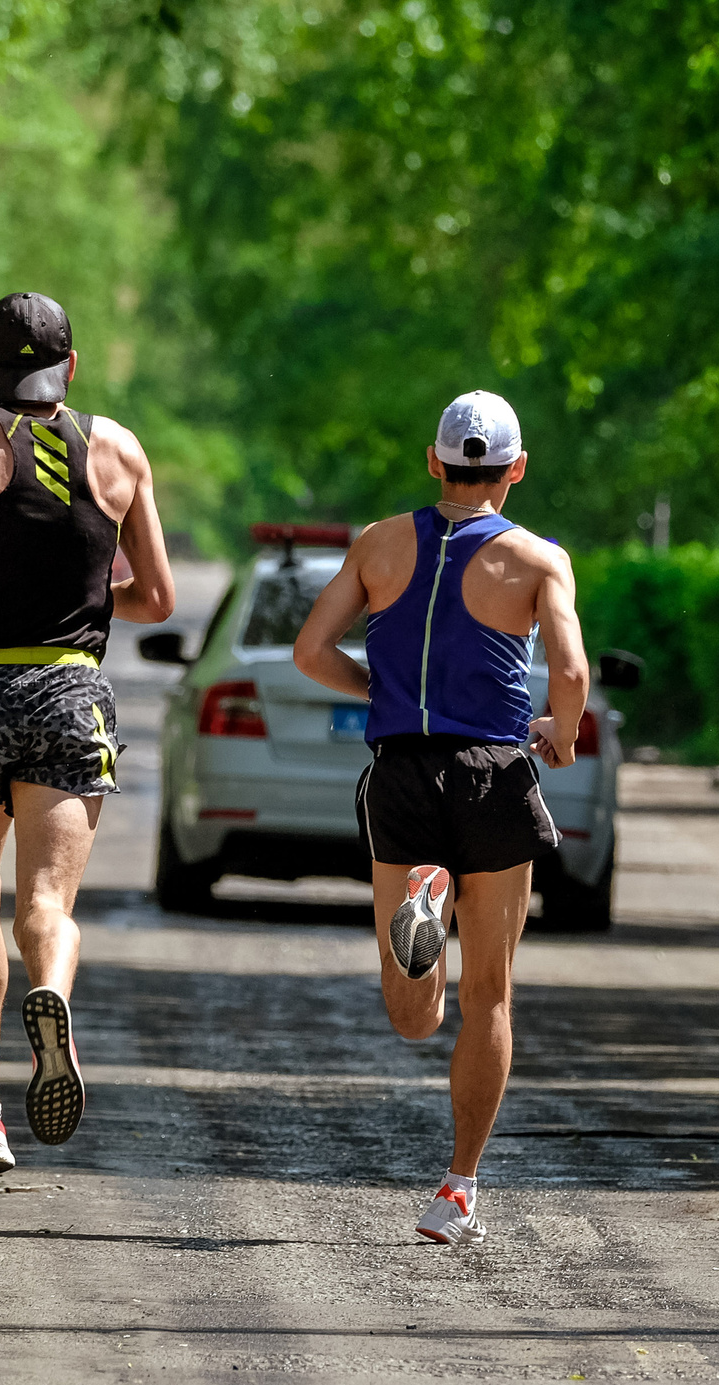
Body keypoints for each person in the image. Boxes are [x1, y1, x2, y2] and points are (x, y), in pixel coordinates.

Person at [292, 391, 589, 1244]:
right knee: (490, 993)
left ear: (435, 462)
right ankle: (456, 1190)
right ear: (516, 469)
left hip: (400, 772)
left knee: (413, 1016)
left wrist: (380, 690)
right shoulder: (539, 561)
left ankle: (426, 900)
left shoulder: (379, 543)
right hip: (493, 773)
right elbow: (570, 674)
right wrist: (562, 734)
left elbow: (311, 651)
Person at [0, 292, 175, 1182]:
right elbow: (156, 599)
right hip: (69, 695)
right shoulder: (119, 449)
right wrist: (84, 594)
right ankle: (50, 986)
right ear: (70, 368)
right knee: (46, 904)